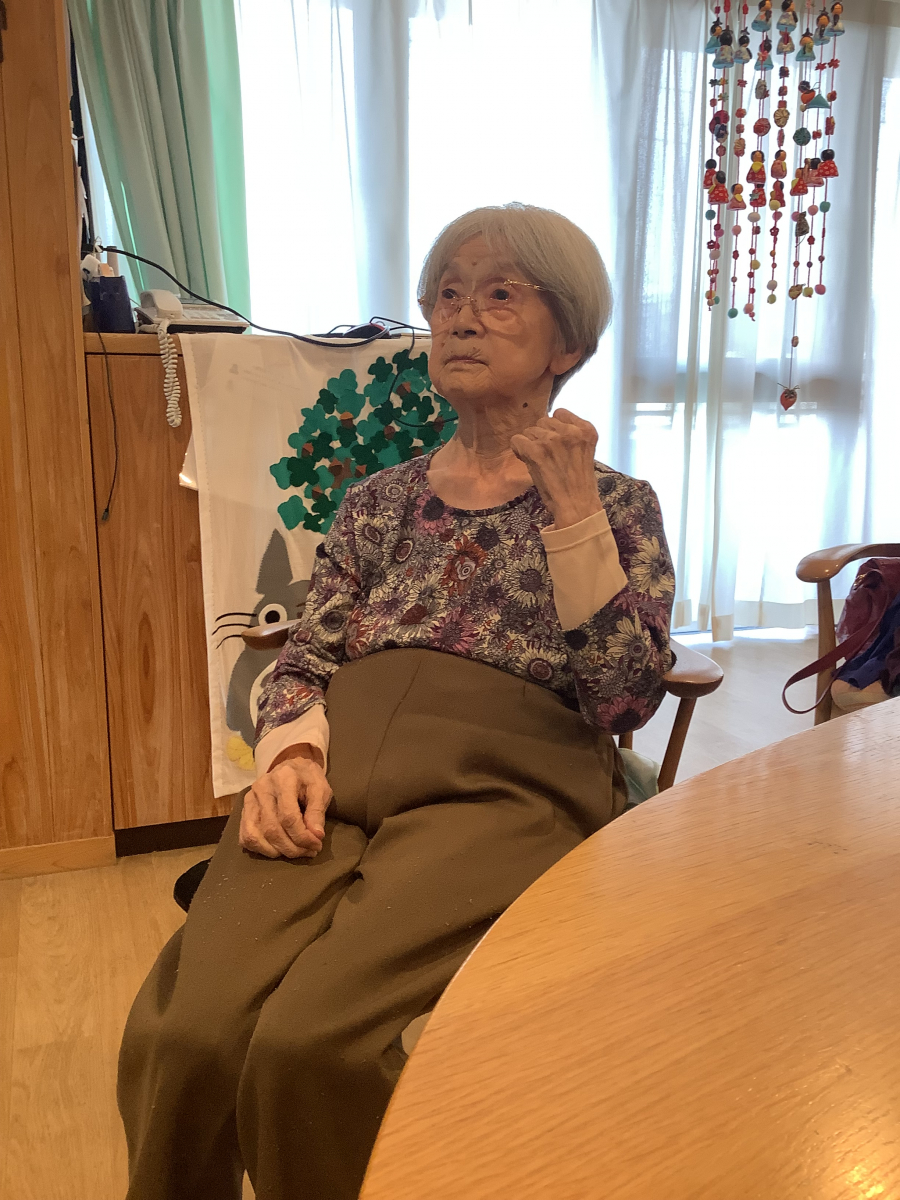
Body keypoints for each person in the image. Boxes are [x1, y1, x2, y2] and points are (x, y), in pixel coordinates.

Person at [117, 203, 675, 1200]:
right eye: (446, 294)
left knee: (315, 1045)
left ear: (570, 343)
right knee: (186, 1031)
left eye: (499, 294)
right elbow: (306, 656)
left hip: (502, 792)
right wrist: (289, 754)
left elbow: (626, 697)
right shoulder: (378, 499)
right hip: (336, 777)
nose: (462, 315)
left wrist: (573, 516)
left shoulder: (617, 504)